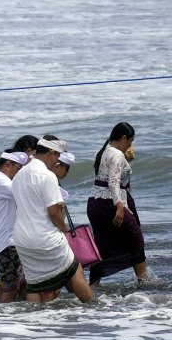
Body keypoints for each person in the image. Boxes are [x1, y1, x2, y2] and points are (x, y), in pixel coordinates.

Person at [12, 137, 93, 303]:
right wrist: (64, 229)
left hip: (22, 240)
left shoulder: (19, 174)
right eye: (57, 157)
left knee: (35, 283)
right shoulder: (47, 176)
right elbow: (54, 212)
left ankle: (35, 319)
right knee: (74, 270)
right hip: (45, 237)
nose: (56, 162)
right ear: (51, 153)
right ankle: (94, 306)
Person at [86, 122, 148, 287]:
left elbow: (105, 176)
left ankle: (93, 285)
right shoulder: (117, 155)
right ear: (123, 138)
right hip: (110, 203)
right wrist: (119, 207)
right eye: (130, 141)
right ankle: (143, 281)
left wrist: (126, 160)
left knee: (103, 244)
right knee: (135, 237)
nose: (130, 145)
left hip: (95, 203)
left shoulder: (102, 152)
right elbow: (113, 182)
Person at [0, 151, 28, 303]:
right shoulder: (0, 181)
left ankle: (20, 317)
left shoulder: (3, 181)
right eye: (19, 168)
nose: (20, 173)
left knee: (22, 284)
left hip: (8, 241)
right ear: (8, 165)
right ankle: (1, 320)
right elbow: (25, 192)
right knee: (11, 287)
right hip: (5, 243)